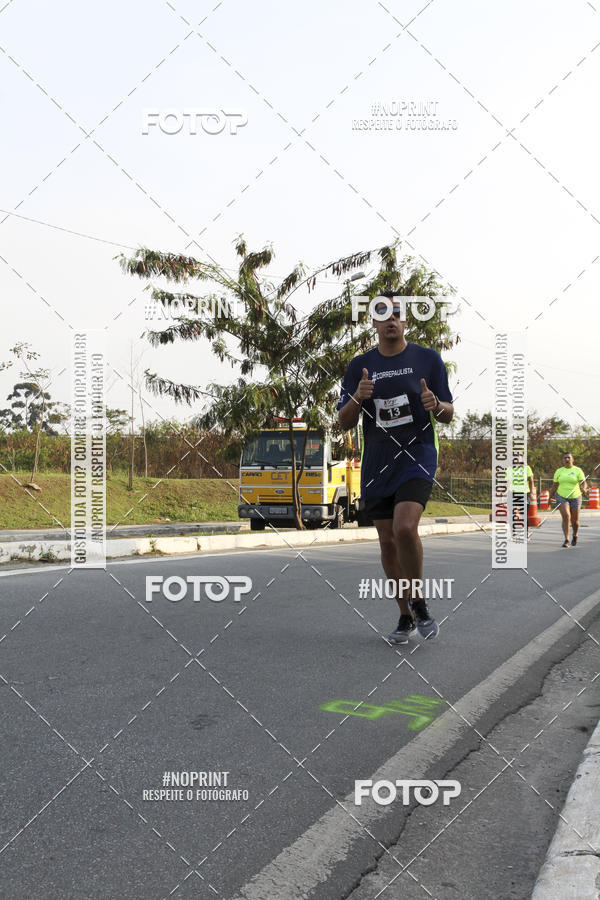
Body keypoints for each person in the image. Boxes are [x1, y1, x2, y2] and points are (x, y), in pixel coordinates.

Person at [338, 296, 454, 643]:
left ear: (406, 323)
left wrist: (437, 405)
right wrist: (358, 396)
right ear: (373, 323)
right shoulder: (361, 365)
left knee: (405, 528)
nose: (391, 320)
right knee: (387, 542)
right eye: (382, 314)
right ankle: (406, 615)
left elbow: (449, 412)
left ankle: (418, 600)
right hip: (378, 462)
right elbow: (343, 420)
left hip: (417, 455)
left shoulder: (427, 359)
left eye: (398, 314)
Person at [548, 451, 588, 547]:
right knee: (566, 516)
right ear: (563, 460)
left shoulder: (578, 470)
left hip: (576, 496)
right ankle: (567, 539)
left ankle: (575, 534)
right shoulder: (559, 471)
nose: (567, 459)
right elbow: (555, 485)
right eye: (565, 458)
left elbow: (583, 482)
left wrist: (584, 488)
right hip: (562, 496)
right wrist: (550, 497)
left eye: (568, 457)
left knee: (575, 521)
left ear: (572, 459)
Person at [506, 454, 535, 539]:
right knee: (512, 514)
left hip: (524, 493)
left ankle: (525, 534)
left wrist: (531, 492)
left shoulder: (527, 468)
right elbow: (507, 482)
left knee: (523, 515)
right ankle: (513, 534)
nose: (517, 458)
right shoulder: (509, 469)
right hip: (512, 493)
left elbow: (531, 481)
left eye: (519, 456)